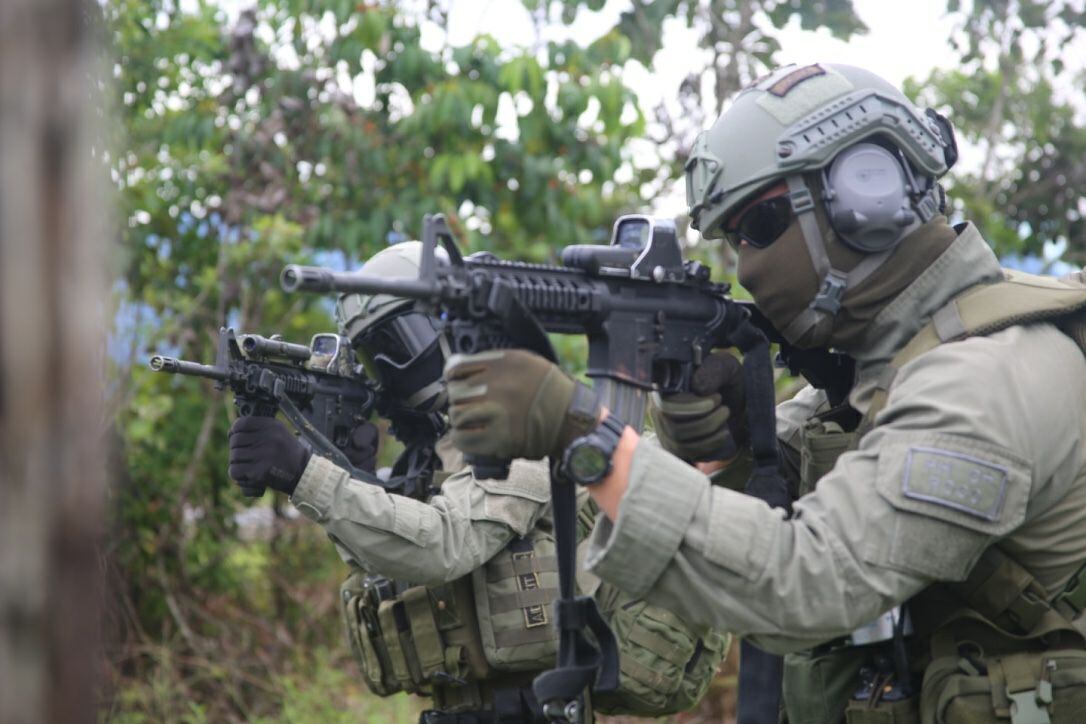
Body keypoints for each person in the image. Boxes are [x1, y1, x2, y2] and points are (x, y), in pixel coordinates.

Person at [441, 63, 1086, 722]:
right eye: (731, 240)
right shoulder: (876, 370)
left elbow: (809, 583)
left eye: (761, 225)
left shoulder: (986, 379)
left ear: (867, 194)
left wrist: (584, 434)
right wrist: (743, 450)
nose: (746, 264)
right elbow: (770, 524)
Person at [227, 242, 730, 723]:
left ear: (452, 326)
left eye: (401, 343)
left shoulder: (519, 422)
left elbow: (444, 544)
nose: (396, 371)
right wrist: (353, 476)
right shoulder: (431, 450)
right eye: (378, 355)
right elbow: (392, 558)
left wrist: (306, 474)